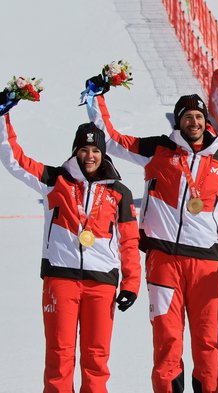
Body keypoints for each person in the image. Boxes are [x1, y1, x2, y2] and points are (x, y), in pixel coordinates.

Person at [84, 77, 218, 393]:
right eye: (187, 117)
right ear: (179, 121)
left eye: (198, 116)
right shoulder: (157, 149)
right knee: (167, 336)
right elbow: (113, 141)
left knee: (207, 337)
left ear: (205, 121)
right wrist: (96, 97)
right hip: (163, 260)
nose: (193, 121)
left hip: (207, 265)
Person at [0, 90, 141, 392]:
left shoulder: (119, 192)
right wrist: (3, 117)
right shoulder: (55, 181)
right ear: (76, 151)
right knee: (59, 355)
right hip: (61, 280)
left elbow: (130, 242)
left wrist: (131, 283)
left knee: (96, 357)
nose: (90, 156)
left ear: (103, 154)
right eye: (84, 149)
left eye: (95, 150)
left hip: (102, 283)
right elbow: (15, 160)